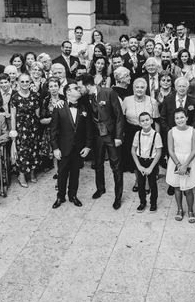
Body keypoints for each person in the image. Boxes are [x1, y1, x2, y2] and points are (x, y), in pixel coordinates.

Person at [76, 74, 125, 209]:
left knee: (116, 166)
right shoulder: (85, 98)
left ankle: (118, 196)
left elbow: (119, 116)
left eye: (80, 87)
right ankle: (100, 188)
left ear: (87, 85)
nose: (79, 90)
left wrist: (118, 137)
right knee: (98, 164)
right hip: (97, 136)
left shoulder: (108, 92)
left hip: (110, 135)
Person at [50, 82, 92, 209]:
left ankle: (73, 195)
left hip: (78, 147)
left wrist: (88, 146)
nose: (79, 90)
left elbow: (89, 129)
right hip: (63, 147)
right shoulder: (59, 107)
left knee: (75, 173)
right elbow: (53, 130)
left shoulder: (84, 107)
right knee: (62, 173)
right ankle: (60, 196)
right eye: (76, 88)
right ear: (68, 92)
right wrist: (55, 148)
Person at [121, 78, 160, 183]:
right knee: (136, 157)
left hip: (148, 131)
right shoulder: (127, 100)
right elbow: (121, 118)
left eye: (142, 87)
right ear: (133, 88)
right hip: (131, 131)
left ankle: (149, 180)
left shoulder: (152, 101)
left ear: (146, 88)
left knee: (148, 155)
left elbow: (156, 120)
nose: (139, 89)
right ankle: (138, 181)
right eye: (137, 87)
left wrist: (157, 135)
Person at [166, 108, 195, 223]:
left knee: (188, 188)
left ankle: (190, 210)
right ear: (174, 119)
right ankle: (180, 209)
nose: (179, 120)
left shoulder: (193, 131)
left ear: (186, 118)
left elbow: (194, 150)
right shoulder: (171, 132)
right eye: (177, 118)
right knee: (177, 187)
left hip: (189, 160)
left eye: (182, 117)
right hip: (176, 160)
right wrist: (178, 164)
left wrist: (185, 165)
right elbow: (170, 150)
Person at [10, 73, 42, 187]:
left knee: (33, 150)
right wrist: (13, 131)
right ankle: (21, 175)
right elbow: (13, 115)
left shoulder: (35, 95)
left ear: (30, 83)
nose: (24, 84)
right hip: (21, 128)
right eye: (22, 81)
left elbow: (38, 114)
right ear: (18, 82)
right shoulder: (14, 97)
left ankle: (32, 172)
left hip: (33, 128)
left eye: (27, 81)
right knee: (22, 152)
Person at [132, 112, 163, 213]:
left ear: (151, 121)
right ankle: (142, 202)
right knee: (140, 184)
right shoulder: (137, 134)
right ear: (139, 123)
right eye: (142, 121)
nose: (145, 122)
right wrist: (138, 166)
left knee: (152, 184)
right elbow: (133, 150)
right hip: (140, 161)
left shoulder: (156, 135)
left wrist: (151, 168)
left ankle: (153, 203)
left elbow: (158, 153)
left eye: (147, 120)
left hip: (151, 162)